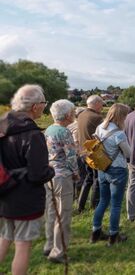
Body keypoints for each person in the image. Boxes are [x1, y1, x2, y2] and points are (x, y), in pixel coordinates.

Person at [0, 84, 55, 275]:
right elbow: (37, 174)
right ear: (35, 107)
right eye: (43, 103)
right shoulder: (33, 135)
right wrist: (50, 171)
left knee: (5, 237)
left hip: (4, 191)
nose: (44, 106)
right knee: (22, 245)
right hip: (25, 198)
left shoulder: (3, 125)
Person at [43, 99, 79, 263]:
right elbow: (71, 156)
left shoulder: (49, 129)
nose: (74, 114)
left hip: (49, 174)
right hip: (62, 176)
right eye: (72, 112)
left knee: (51, 212)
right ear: (67, 115)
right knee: (63, 214)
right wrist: (76, 173)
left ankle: (49, 245)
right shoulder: (64, 132)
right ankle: (57, 252)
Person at [91, 103, 131, 246]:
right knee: (115, 205)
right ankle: (113, 235)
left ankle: (96, 231)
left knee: (103, 201)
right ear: (121, 116)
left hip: (102, 167)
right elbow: (128, 153)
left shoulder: (100, 127)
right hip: (117, 169)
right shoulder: (119, 134)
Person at [77, 95, 104, 213]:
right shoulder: (97, 117)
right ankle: (94, 206)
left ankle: (80, 205)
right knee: (97, 179)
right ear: (96, 103)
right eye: (101, 104)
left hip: (83, 151)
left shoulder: (81, 114)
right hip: (94, 151)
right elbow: (102, 135)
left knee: (88, 179)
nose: (102, 107)